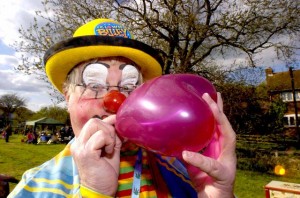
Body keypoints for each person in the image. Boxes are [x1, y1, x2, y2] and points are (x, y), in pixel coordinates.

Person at [9, 18, 236, 197]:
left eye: (129, 86)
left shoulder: (183, 175)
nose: (114, 100)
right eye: (94, 84)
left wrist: (217, 195)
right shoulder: (34, 188)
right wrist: (94, 193)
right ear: (67, 96)